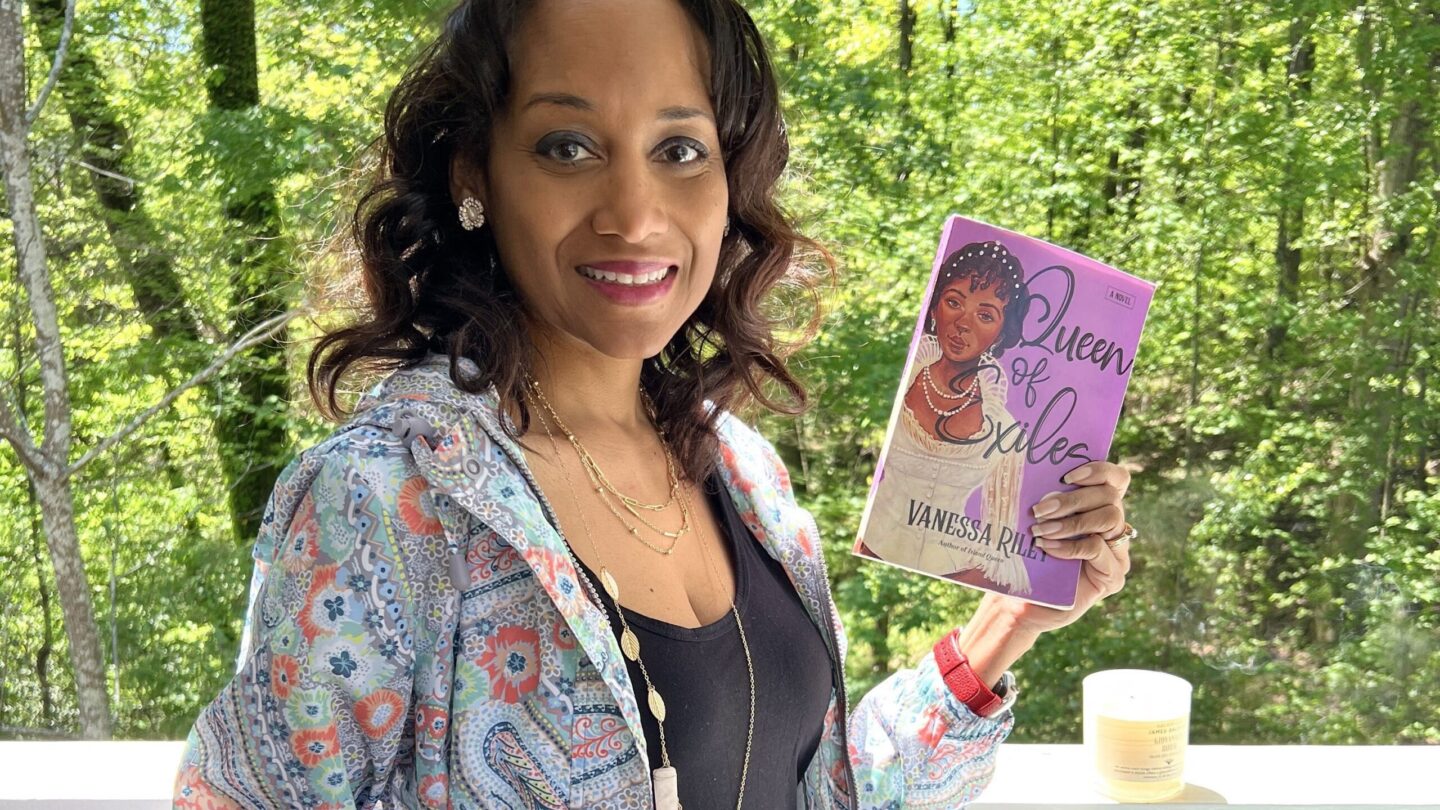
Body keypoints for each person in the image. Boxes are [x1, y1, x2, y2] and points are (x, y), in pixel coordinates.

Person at [174, 0, 1137, 807]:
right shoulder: (387, 500)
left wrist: (1006, 625)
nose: (634, 215)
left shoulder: (741, 472)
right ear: (474, 173)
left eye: (679, 148)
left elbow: (814, 786)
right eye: (567, 146)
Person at [860, 242, 1035, 595]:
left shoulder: (1006, 433)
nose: (963, 324)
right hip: (862, 560)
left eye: (985, 315)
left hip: (952, 582)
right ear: (934, 306)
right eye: (954, 302)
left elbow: (1001, 558)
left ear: (1002, 333)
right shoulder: (894, 384)